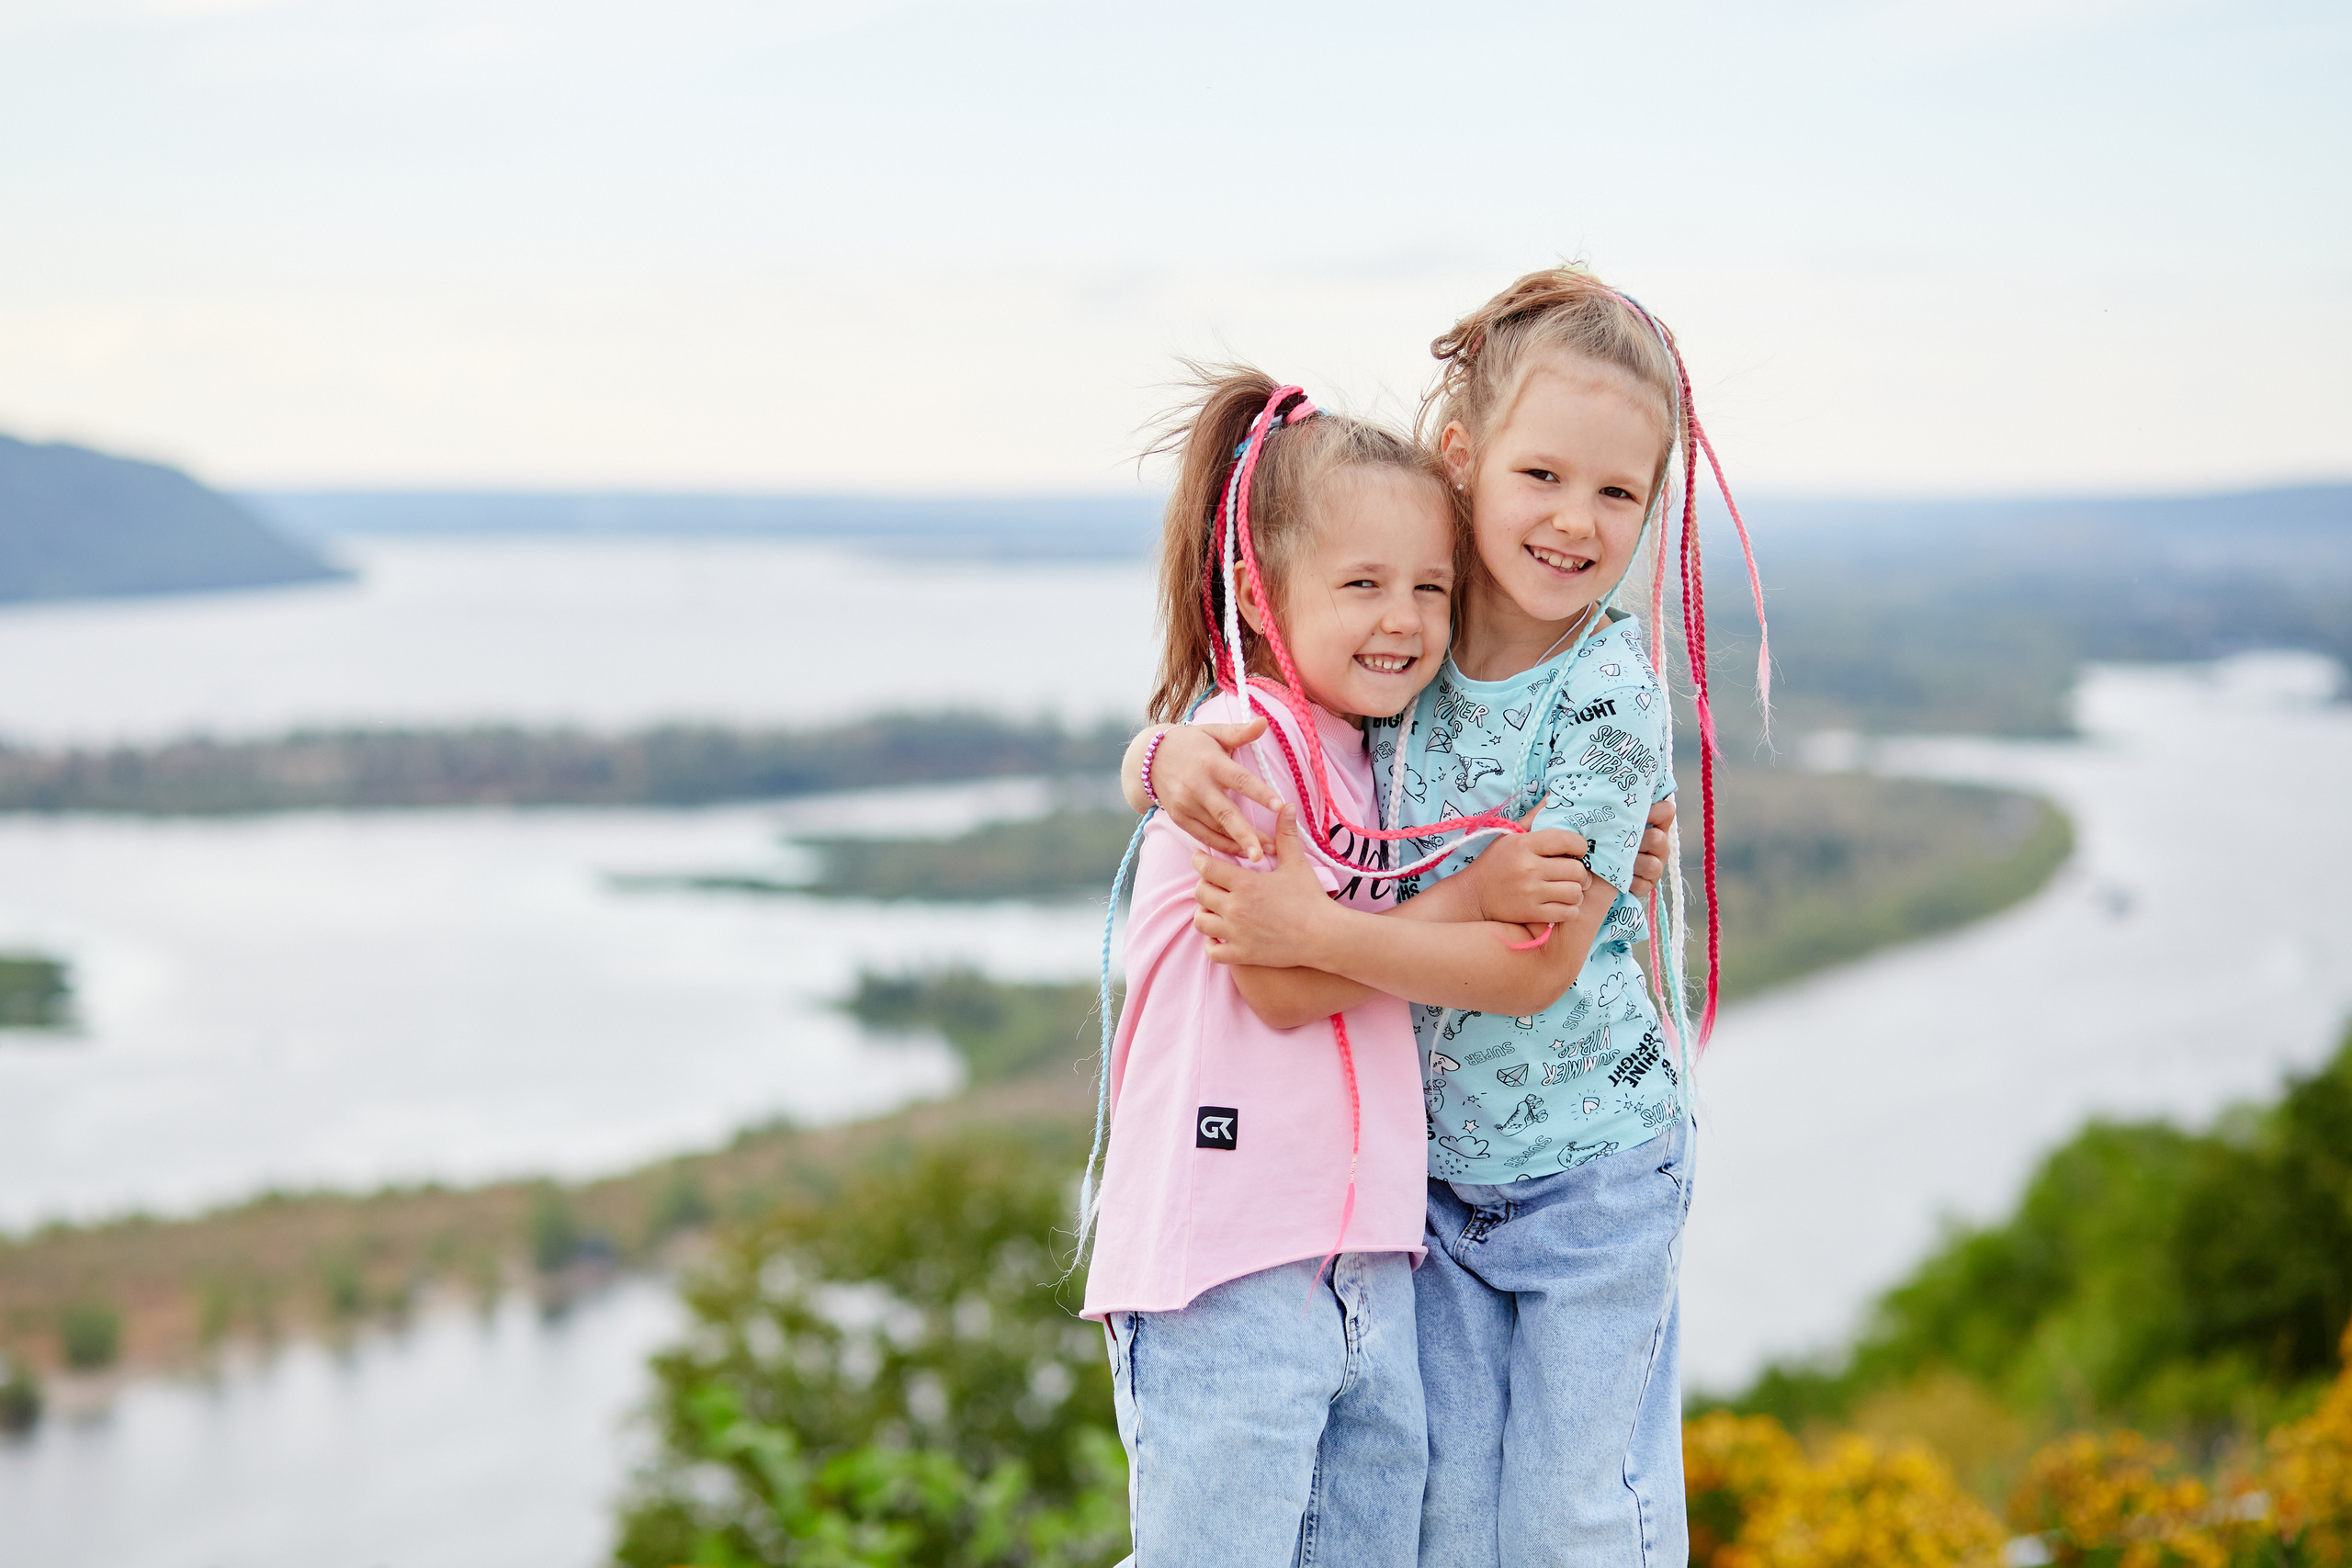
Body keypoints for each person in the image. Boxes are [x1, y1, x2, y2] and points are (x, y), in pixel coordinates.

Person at [1126, 266, 1764, 1566]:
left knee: (1574, 1517)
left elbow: (1530, 972)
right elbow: (1265, 702)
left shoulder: (1607, 698)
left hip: (1593, 1170)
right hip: (1435, 1190)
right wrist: (1157, 757)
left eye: (1618, 493)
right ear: (1463, 461)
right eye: (1543, 476)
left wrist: (1316, 933)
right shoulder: (1409, 637)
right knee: (1454, 1529)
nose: (1575, 521)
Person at [1083, 365, 1628, 1567]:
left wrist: (1605, 849)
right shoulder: (1243, 749)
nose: (1405, 621)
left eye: (1431, 588)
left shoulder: (1375, 753)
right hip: (1229, 1263)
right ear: (1257, 591)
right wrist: (1472, 897)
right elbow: (1280, 983)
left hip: (1367, 1266)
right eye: (1364, 585)